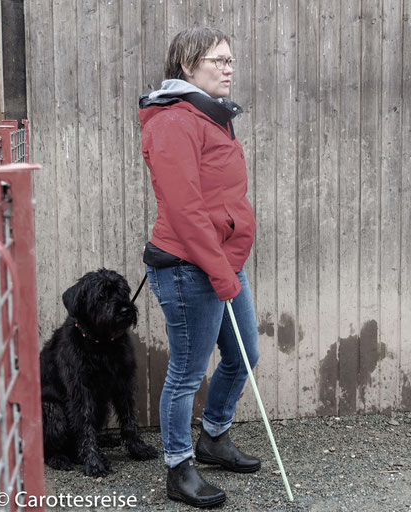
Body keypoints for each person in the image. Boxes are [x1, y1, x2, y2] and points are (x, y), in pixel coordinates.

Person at [139, 27, 260, 508]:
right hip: (190, 267)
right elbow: (186, 211)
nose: (228, 67)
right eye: (218, 60)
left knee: (244, 355)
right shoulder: (174, 122)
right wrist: (221, 272)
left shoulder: (211, 116)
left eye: (231, 60)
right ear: (188, 67)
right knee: (187, 373)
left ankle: (213, 437)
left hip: (220, 262)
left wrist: (229, 264)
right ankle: (178, 465)